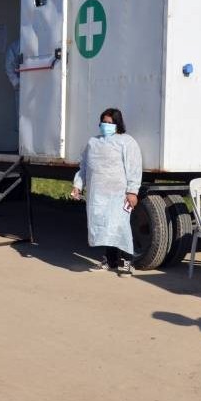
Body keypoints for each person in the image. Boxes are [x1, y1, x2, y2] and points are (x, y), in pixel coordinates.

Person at [71, 108, 142, 277]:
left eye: (111, 123)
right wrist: (78, 186)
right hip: (98, 195)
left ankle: (126, 261)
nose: (107, 126)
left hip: (119, 194)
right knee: (104, 227)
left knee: (120, 226)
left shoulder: (126, 142)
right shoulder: (93, 143)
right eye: (104, 122)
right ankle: (110, 260)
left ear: (118, 124)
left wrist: (132, 191)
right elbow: (84, 168)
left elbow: (134, 167)